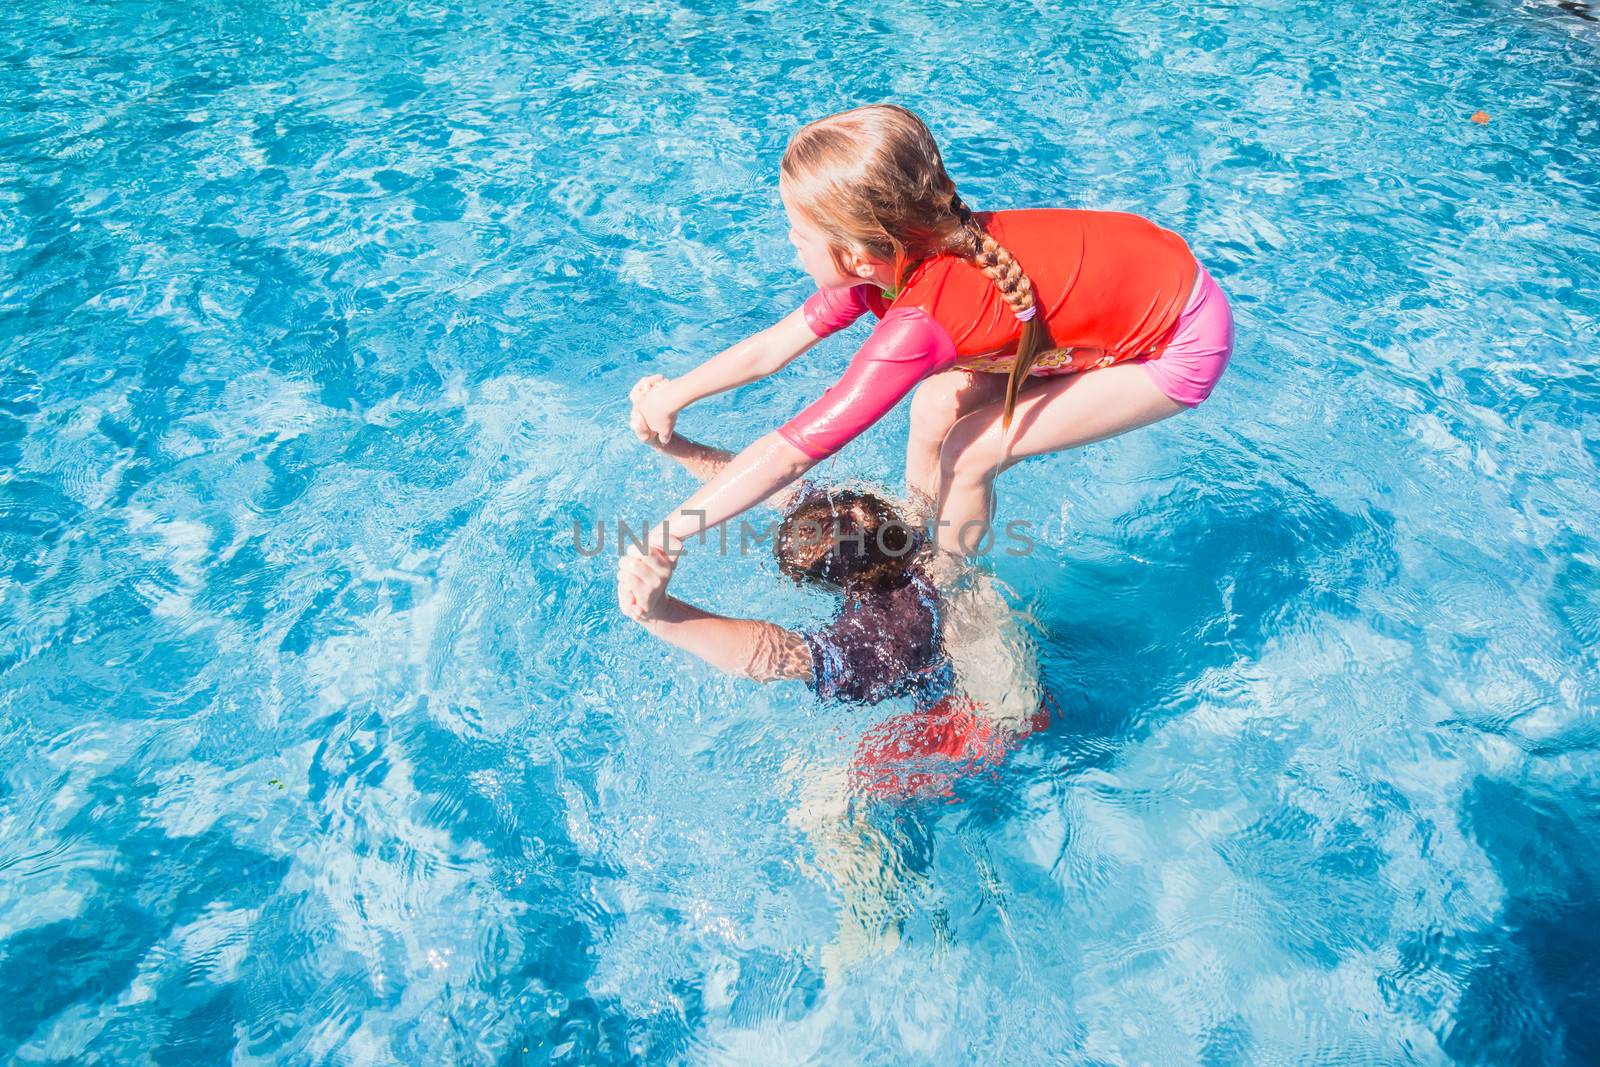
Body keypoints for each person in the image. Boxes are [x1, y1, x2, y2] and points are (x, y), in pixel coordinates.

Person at [620, 102, 1235, 596]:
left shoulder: (922, 319)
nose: (789, 241)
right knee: (938, 403)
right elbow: (773, 348)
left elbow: (792, 452)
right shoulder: (893, 258)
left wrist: (674, 532)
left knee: (971, 449)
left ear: (858, 252)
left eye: (798, 233)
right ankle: (914, 535)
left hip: (1178, 341)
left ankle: (951, 588)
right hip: (1137, 283)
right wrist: (673, 396)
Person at [615, 431, 1047, 799]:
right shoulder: (886, 528)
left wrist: (659, 613)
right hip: (1006, 642)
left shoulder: (889, 629)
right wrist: (678, 446)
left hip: (993, 723)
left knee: (826, 796)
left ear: (850, 585)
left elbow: (776, 655)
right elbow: (767, 485)